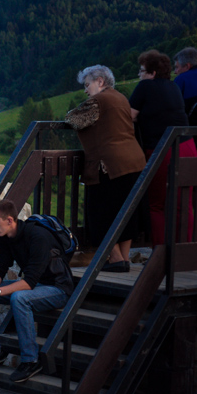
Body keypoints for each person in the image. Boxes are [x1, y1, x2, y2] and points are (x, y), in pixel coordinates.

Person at [0, 200, 74, 383]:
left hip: (58, 289)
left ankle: (31, 360)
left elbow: (28, 283)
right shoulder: (7, 238)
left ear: (10, 220)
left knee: (19, 298)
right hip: (35, 288)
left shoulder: (38, 236)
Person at [63, 64, 146, 272]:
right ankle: (124, 258)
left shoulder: (99, 101)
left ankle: (116, 260)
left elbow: (73, 119)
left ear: (100, 81)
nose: (85, 90)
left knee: (100, 213)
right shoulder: (120, 98)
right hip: (133, 161)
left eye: (87, 84)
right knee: (127, 213)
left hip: (110, 164)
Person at [128, 50, 197, 244]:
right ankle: (184, 251)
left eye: (142, 71)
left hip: (162, 148)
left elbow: (129, 115)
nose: (139, 75)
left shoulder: (145, 86)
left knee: (156, 204)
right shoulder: (174, 86)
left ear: (152, 73)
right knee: (183, 204)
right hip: (188, 145)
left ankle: (160, 255)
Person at [173, 47, 197, 125]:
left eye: (176, 67)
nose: (175, 72)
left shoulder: (181, 79)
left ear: (187, 66)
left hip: (194, 130)